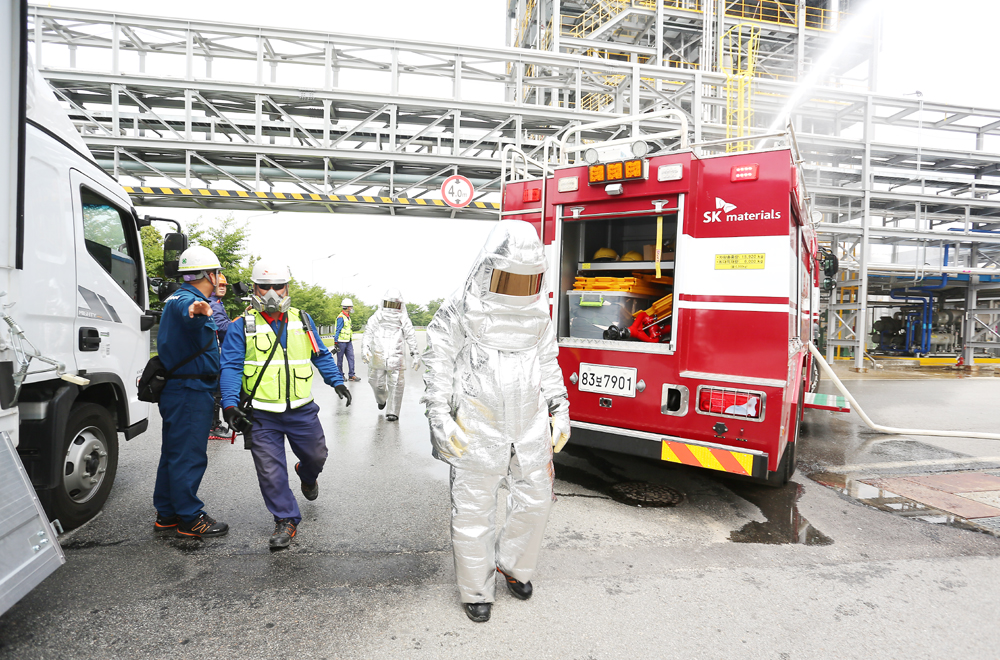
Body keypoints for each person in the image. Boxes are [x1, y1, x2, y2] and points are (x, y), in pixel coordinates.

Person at [420, 221, 571, 623]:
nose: (519, 288)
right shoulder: (459, 309)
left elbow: (547, 363)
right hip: (476, 424)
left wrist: (560, 409)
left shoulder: (540, 312)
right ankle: (475, 589)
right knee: (473, 509)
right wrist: (440, 416)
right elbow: (437, 365)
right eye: (510, 278)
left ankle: (513, 565)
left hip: (530, 424)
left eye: (528, 279)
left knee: (537, 501)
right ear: (488, 270)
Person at [220, 261, 353, 549]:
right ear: (254, 289)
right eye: (264, 287)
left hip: (301, 409)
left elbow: (319, 354)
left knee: (316, 456)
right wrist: (230, 404)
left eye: (277, 286)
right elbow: (230, 366)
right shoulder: (240, 326)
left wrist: (336, 380)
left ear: (287, 288)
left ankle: (306, 476)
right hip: (260, 413)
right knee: (269, 469)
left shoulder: (302, 320)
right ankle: (286, 519)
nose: (271, 293)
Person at [153, 245, 230, 539]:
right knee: (188, 455)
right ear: (209, 274)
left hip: (183, 387)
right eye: (217, 273)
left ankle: (167, 513)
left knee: (174, 453)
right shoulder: (188, 300)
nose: (219, 278)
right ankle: (189, 517)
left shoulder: (178, 295)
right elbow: (189, 313)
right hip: (189, 389)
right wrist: (198, 311)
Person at [361, 289, 419, 422]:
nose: (392, 308)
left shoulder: (403, 318)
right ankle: (381, 398)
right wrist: (365, 348)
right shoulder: (377, 316)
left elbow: (411, 336)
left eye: (395, 305)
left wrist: (415, 354)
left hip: (396, 356)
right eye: (389, 304)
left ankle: (393, 411)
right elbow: (368, 332)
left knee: (397, 384)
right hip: (378, 355)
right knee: (375, 381)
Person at [208, 273, 234, 441]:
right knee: (216, 392)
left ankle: (213, 424)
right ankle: (212, 427)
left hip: (217, 352)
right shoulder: (213, 304)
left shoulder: (217, 303)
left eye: (225, 285)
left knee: (216, 391)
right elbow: (224, 327)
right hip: (216, 354)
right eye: (220, 285)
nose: (223, 287)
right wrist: (241, 321)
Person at [335, 298, 361, 382]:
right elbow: (338, 330)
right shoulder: (341, 317)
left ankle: (351, 375)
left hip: (348, 341)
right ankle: (340, 375)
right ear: (347, 307)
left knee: (351, 358)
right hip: (341, 342)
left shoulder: (348, 317)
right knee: (340, 359)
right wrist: (336, 342)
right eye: (350, 307)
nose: (351, 308)